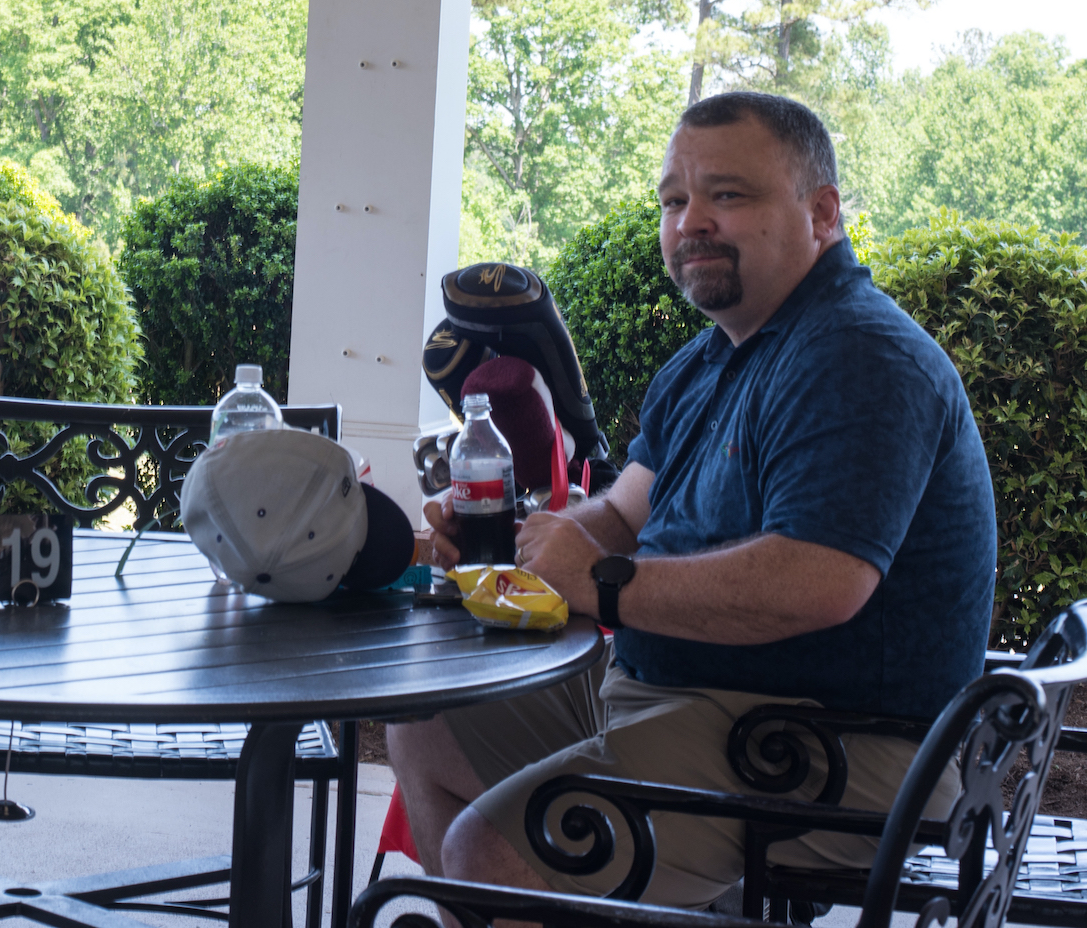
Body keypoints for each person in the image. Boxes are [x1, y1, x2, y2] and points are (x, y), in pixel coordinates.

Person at [388, 91, 996, 908]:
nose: (691, 221)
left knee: (494, 847)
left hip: (830, 744)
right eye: (674, 200)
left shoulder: (857, 355)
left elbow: (818, 581)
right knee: (428, 720)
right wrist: (529, 540)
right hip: (687, 701)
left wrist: (599, 582)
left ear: (822, 213)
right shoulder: (708, 362)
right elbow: (620, 513)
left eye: (728, 194)